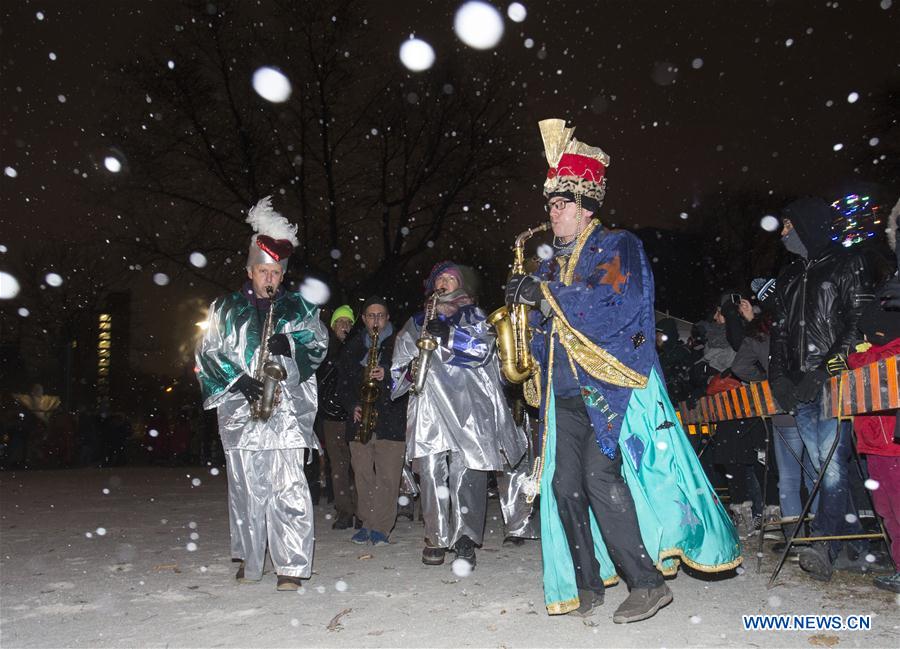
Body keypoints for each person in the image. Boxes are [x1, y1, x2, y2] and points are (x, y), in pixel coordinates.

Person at [505, 118, 740, 623]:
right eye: (549, 204)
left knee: (598, 477)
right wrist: (521, 323)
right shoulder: (546, 264)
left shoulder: (615, 248)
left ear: (586, 206)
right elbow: (548, 324)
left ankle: (647, 582)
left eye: (561, 203)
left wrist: (545, 298)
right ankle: (588, 580)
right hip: (561, 392)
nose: (552, 212)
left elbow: (615, 302)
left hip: (608, 385)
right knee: (563, 486)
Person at [195, 196, 327, 591]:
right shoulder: (224, 307)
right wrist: (236, 381)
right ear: (250, 270)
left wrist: (294, 349)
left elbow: (318, 343)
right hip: (240, 412)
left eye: (276, 273)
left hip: (284, 412)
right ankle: (250, 560)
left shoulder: (298, 307)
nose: (270, 279)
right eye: (263, 271)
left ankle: (290, 565)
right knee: (247, 491)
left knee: (289, 488)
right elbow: (206, 351)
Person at [768, 196, 881, 582]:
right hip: (800, 386)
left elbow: (857, 320)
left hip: (833, 382)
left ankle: (824, 544)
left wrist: (828, 368)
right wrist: (779, 378)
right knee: (819, 467)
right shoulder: (789, 275)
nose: (782, 234)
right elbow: (779, 334)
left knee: (831, 466)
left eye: (787, 226)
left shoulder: (846, 263)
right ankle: (854, 544)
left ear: (806, 225)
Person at [391, 262, 526, 570]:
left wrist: (451, 336)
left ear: (461, 283)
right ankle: (435, 537)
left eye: (450, 278)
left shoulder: (475, 316)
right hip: (428, 404)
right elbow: (396, 369)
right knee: (430, 470)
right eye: (440, 278)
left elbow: (485, 351)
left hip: (467, 403)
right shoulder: (415, 322)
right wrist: (409, 374)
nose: (445, 282)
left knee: (468, 470)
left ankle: (464, 538)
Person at [335, 296, 408, 546]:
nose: (375, 320)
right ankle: (366, 522)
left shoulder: (401, 343)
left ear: (387, 318)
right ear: (364, 319)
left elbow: (412, 376)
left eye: (380, 315)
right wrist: (352, 405)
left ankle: (382, 526)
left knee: (388, 476)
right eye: (371, 316)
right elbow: (342, 383)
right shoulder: (353, 346)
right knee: (363, 474)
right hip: (360, 418)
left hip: (392, 418)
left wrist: (388, 374)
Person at [317, 304, 358, 530]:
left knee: (358, 465)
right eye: (341, 322)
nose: (345, 326)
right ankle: (344, 510)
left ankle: (361, 510)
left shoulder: (356, 347)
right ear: (333, 326)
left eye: (349, 322)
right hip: (331, 415)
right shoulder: (324, 348)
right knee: (338, 466)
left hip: (353, 414)